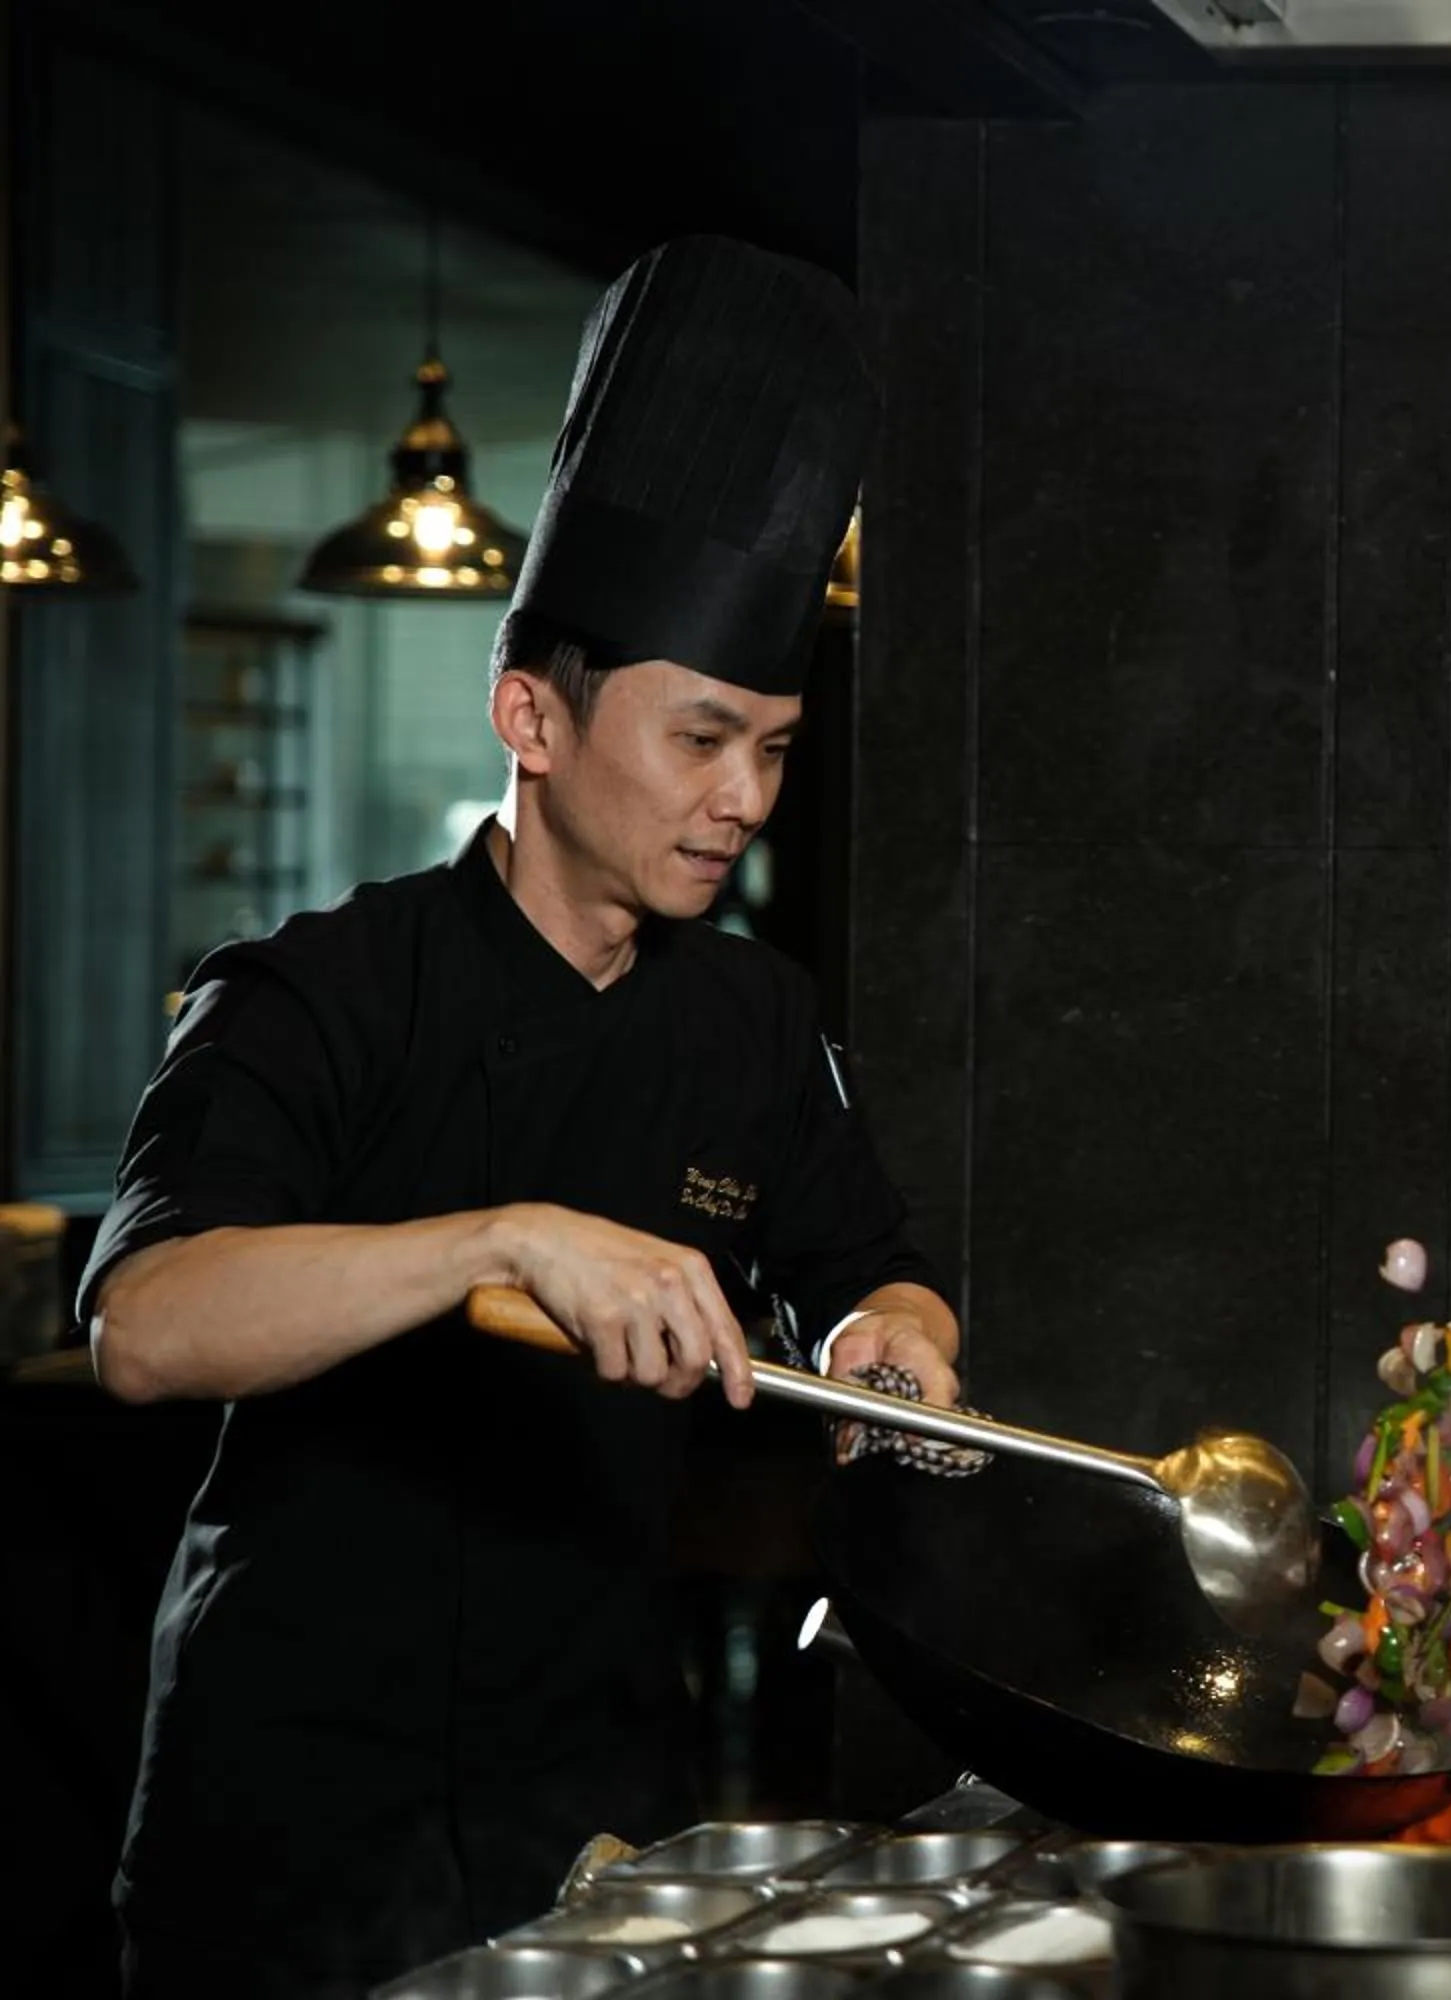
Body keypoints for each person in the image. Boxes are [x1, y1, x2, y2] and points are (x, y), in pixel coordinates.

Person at [78, 236, 960, 1996]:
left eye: (776, 748)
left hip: (596, 1806)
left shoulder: (751, 1017)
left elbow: (874, 1270)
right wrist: (505, 1242)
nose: (744, 798)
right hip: (293, 1819)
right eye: (702, 740)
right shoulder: (318, 989)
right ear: (529, 718)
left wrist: (894, 1343)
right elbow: (146, 1329)